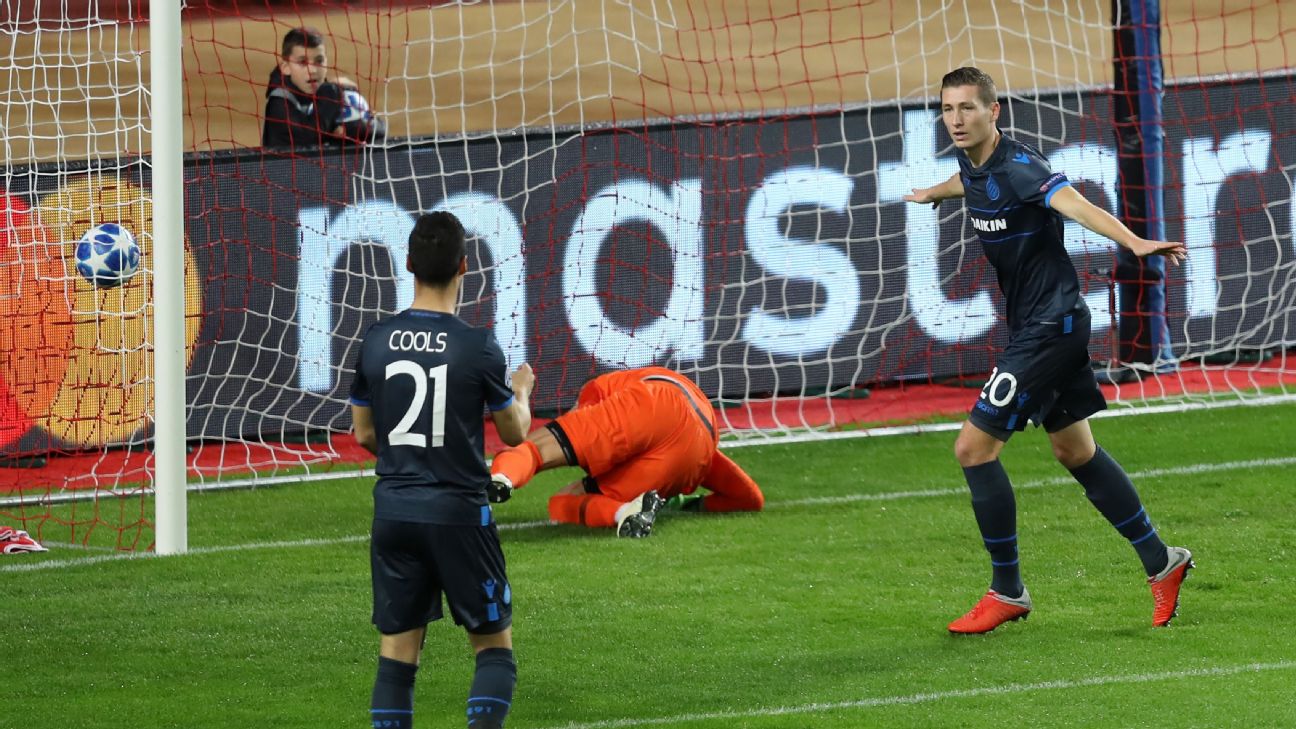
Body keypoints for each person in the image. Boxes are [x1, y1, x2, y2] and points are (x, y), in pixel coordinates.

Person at [903, 67, 1193, 634]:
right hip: (1041, 325)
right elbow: (969, 182)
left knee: (972, 449)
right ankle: (1163, 562)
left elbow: (1074, 204)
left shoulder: (1020, 166)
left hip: (1050, 329)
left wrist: (1134, 242)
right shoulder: (973, 159)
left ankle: (1007, 590)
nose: (956, 120)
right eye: (947, 109)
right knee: (1074, 451)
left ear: (995, 111)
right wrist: (932, 193)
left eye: (967, 108)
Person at [349, 211, 533, 728]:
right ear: (465, 267)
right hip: (458, 516)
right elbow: (515, 434)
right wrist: (521, 391)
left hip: (395, 513)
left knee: (396, 657)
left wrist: (407, 465)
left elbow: (364, 434)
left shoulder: (376, 340)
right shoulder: (478, 347)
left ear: (407, 265)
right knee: (494, 652)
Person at [487, 366, 764, 538]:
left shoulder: (600, 389)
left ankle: (502, 478)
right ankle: (625, 513)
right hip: (700, 445)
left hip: (656, 403)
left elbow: (584, 430)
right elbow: (749, 497)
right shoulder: (707, 459)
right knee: (566, 502)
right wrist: (690, 505)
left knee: (536, 451)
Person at [262, 27, 386, 149]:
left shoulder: (329, 91)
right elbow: (308, 138)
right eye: (302, 62)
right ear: (285, 67)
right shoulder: (278, 103)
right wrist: (333, 92)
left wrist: (356, 128)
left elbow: (380, 129)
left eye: (319, 61)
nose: (313, 70)